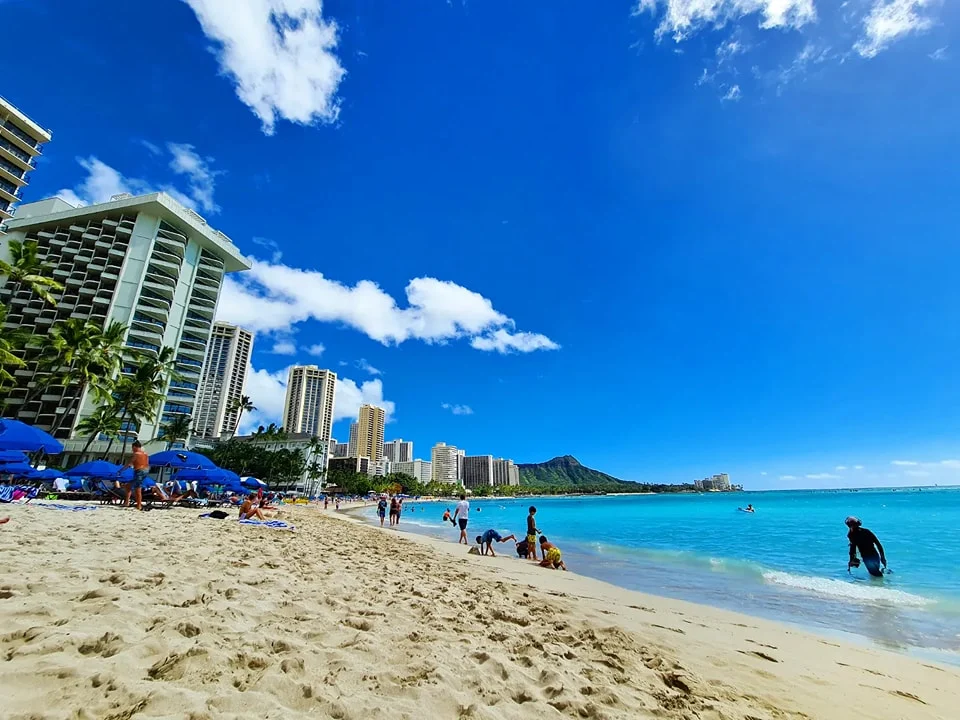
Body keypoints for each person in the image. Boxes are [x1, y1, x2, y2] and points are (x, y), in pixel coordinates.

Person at [119, 440, 151, 511]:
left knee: (138, 489)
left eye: (132, 448)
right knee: (128, 486)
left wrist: (121, 470)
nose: (132, 449)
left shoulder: (136, 454)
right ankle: (126, 502)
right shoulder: (145, 454)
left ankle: (139, 505)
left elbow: (129, 463)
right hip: (145, 471)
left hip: (139, 471)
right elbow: (147, 464)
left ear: (134, 447)